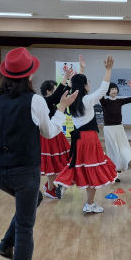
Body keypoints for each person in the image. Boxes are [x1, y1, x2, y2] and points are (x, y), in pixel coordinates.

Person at [0, 47, 76, 260]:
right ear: (29, 76)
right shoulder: (34, 100)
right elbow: (48, 132)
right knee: (26, 227)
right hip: (24, 171)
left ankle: (5, 243)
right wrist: (62, 108)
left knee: (34, 200)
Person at [54, 56, 119, 213]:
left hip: (77, 139)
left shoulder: (71, 99)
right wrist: (108, 70)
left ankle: (64, 183)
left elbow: (74, 84)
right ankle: (90, 204)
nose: (90, 84)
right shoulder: (88, 100)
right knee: (92, 170)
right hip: (89, 138)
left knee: (77, 165)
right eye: (88, 82)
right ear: (84, 86)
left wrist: (81, 69)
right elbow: (104, 89)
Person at [38, 68, 76, 199]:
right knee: (52, 161)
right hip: (49, 136)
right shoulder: (45, 101)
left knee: (58, 160)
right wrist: (65, 78)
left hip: (56, 134)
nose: (56, 93)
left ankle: (50, 185)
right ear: (48, 92)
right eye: (54, 90)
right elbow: (58, 95)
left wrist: (70, 83)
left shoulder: (50, 102)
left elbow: (61, 94)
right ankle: (50, 189)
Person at [99, 81, 131, 180]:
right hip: (109, 128)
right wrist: (104, 85)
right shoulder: (105, 102)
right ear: (108, 91)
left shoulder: (119, 101)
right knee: (113, 150)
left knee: (123, 148)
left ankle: (123, 163)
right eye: (112, 89)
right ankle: (113, 173)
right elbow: (100, 95)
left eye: (115, 89)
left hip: (119, 127)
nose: (114, 91)